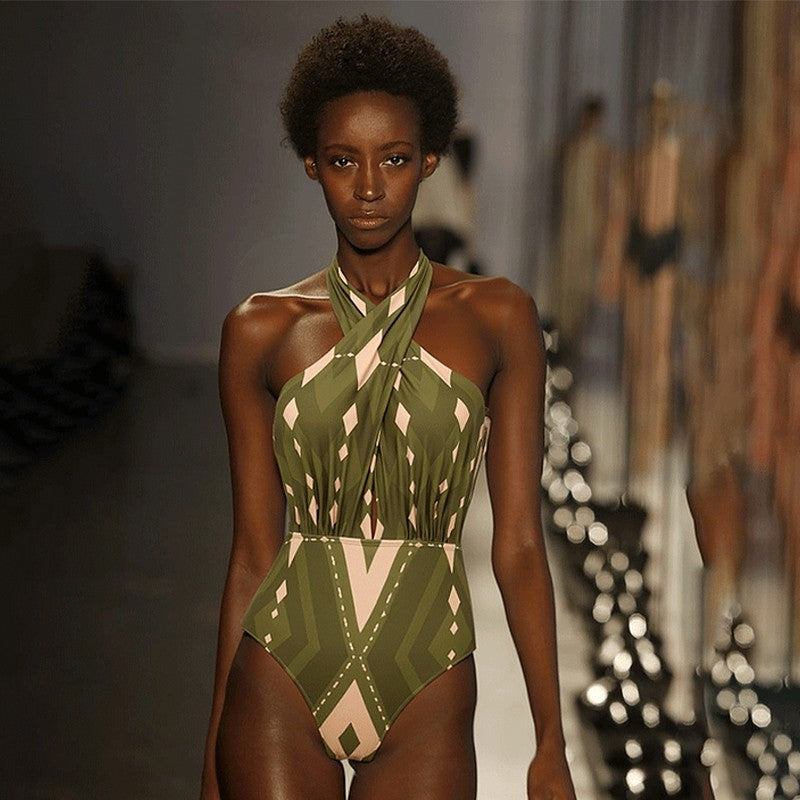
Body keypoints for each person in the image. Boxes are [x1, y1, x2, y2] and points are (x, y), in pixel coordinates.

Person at [200, 16, 576, 800]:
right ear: (312, 163)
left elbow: (518, 543)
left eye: (395, 158)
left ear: (429, 159)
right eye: (344, 160)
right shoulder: (260, 329)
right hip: (279, 675)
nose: (369, 187)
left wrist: (551, 743)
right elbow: (252, 555)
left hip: (426, 689)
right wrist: (210, 760)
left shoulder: (499, 319)